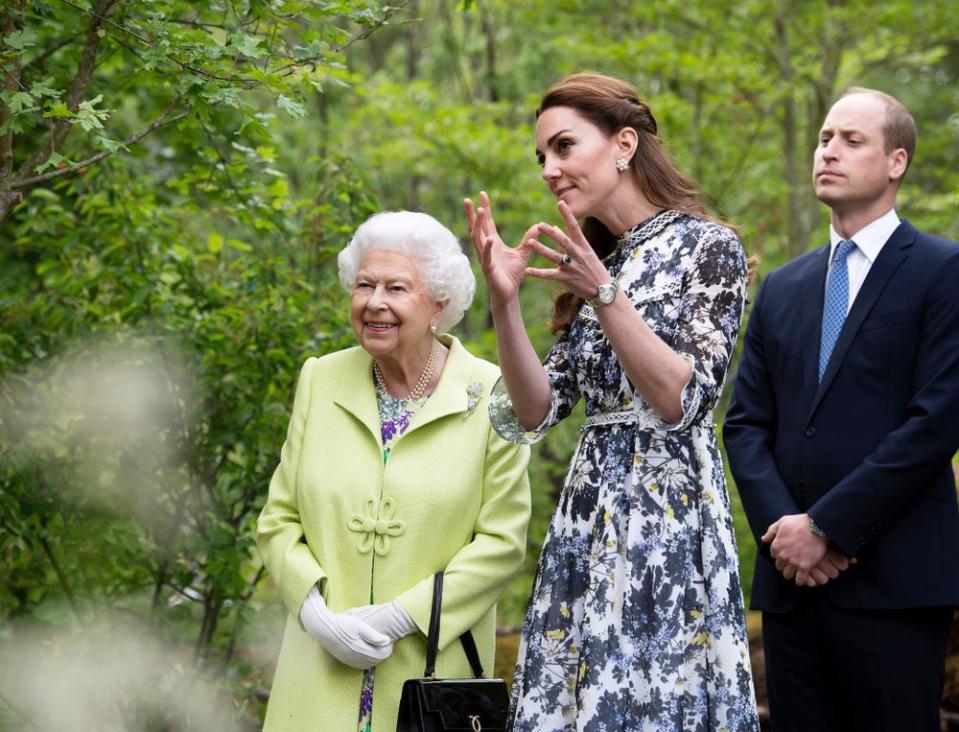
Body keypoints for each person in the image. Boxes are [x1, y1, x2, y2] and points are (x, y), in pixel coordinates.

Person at [465, 72, 759, 731]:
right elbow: (532, 413)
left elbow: (680, 398)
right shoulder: (598, 262)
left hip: (666, 525)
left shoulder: (707, 248)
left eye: (563, 146)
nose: (549, 168)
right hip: (586, 519)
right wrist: (504, 301)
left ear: (623, 144)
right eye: (540, 156)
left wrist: (605, 294)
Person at [723, 88, 959, 731]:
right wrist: (786, 534)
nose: (828, 150)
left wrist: (826, 527)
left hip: (897, 580)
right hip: (792, 585)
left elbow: (937, 420)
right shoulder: (782, 286)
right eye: (825, 138)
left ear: (896, 162)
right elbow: (746, 424)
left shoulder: (944, 270)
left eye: (852, 140)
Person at [256, 211, 532, 731]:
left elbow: (502, 542)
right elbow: (278, 520)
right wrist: (317, 616)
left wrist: (398, 616)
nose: (374, 302)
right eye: (364, 285)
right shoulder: (320, 379)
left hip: (429, 681)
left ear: (439, 304)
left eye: (396, 287)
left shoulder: (494, 393)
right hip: (318, 670)